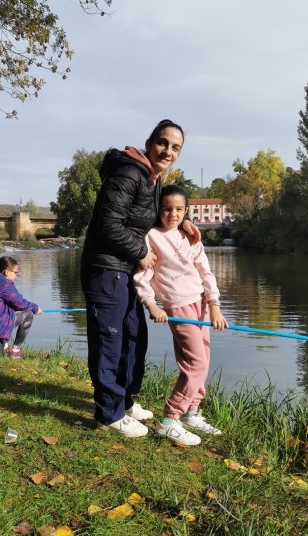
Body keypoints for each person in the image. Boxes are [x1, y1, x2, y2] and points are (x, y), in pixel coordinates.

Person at [80, 119, 201, 438]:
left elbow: (149, 217)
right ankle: (108, 413)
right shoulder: (130, 172)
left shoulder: (153, 177)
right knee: (110, 340)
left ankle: (124, 400)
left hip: (128, 271)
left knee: (135, 336)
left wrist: (183, 222)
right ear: (149, 143)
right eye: (163, 143)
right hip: (106, 268)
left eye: (176, 147)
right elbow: (109, 223)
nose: (168, 151)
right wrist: (141, 252)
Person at [134, 184, 228, 446]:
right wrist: (152, 305)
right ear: (159, 210)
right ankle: (169, 418)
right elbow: (144, 274)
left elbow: (205, 270)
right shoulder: (151, 236)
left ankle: (191, 412)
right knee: (195, 364)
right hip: (178, 306)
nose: (172, 214)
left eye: (178, 209)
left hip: (201, 304)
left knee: (203, 362)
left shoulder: (191, 236)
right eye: (166, 209)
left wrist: (215, 304)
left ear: (186, 211)